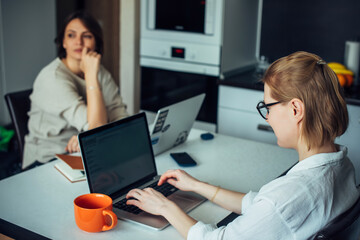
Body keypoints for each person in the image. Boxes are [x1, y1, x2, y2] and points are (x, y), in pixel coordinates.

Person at [125, 51, 359, 239]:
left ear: (296, 110)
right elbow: (261, 205)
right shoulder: (342, 163)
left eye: (268, 108)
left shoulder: (286, 198)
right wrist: (197, 185)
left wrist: (165, 207)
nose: (266, 117)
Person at [23, 11, 128, 169]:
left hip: (86, 152)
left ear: (96, 43)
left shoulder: (100, 71)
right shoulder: (52, 78)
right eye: (71, 35)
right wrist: (91, 75)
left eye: (86, 36)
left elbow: (120, 117)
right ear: (63, 42)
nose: (78, 42)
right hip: (48, 160)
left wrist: (85, 137)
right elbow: (97, 130)